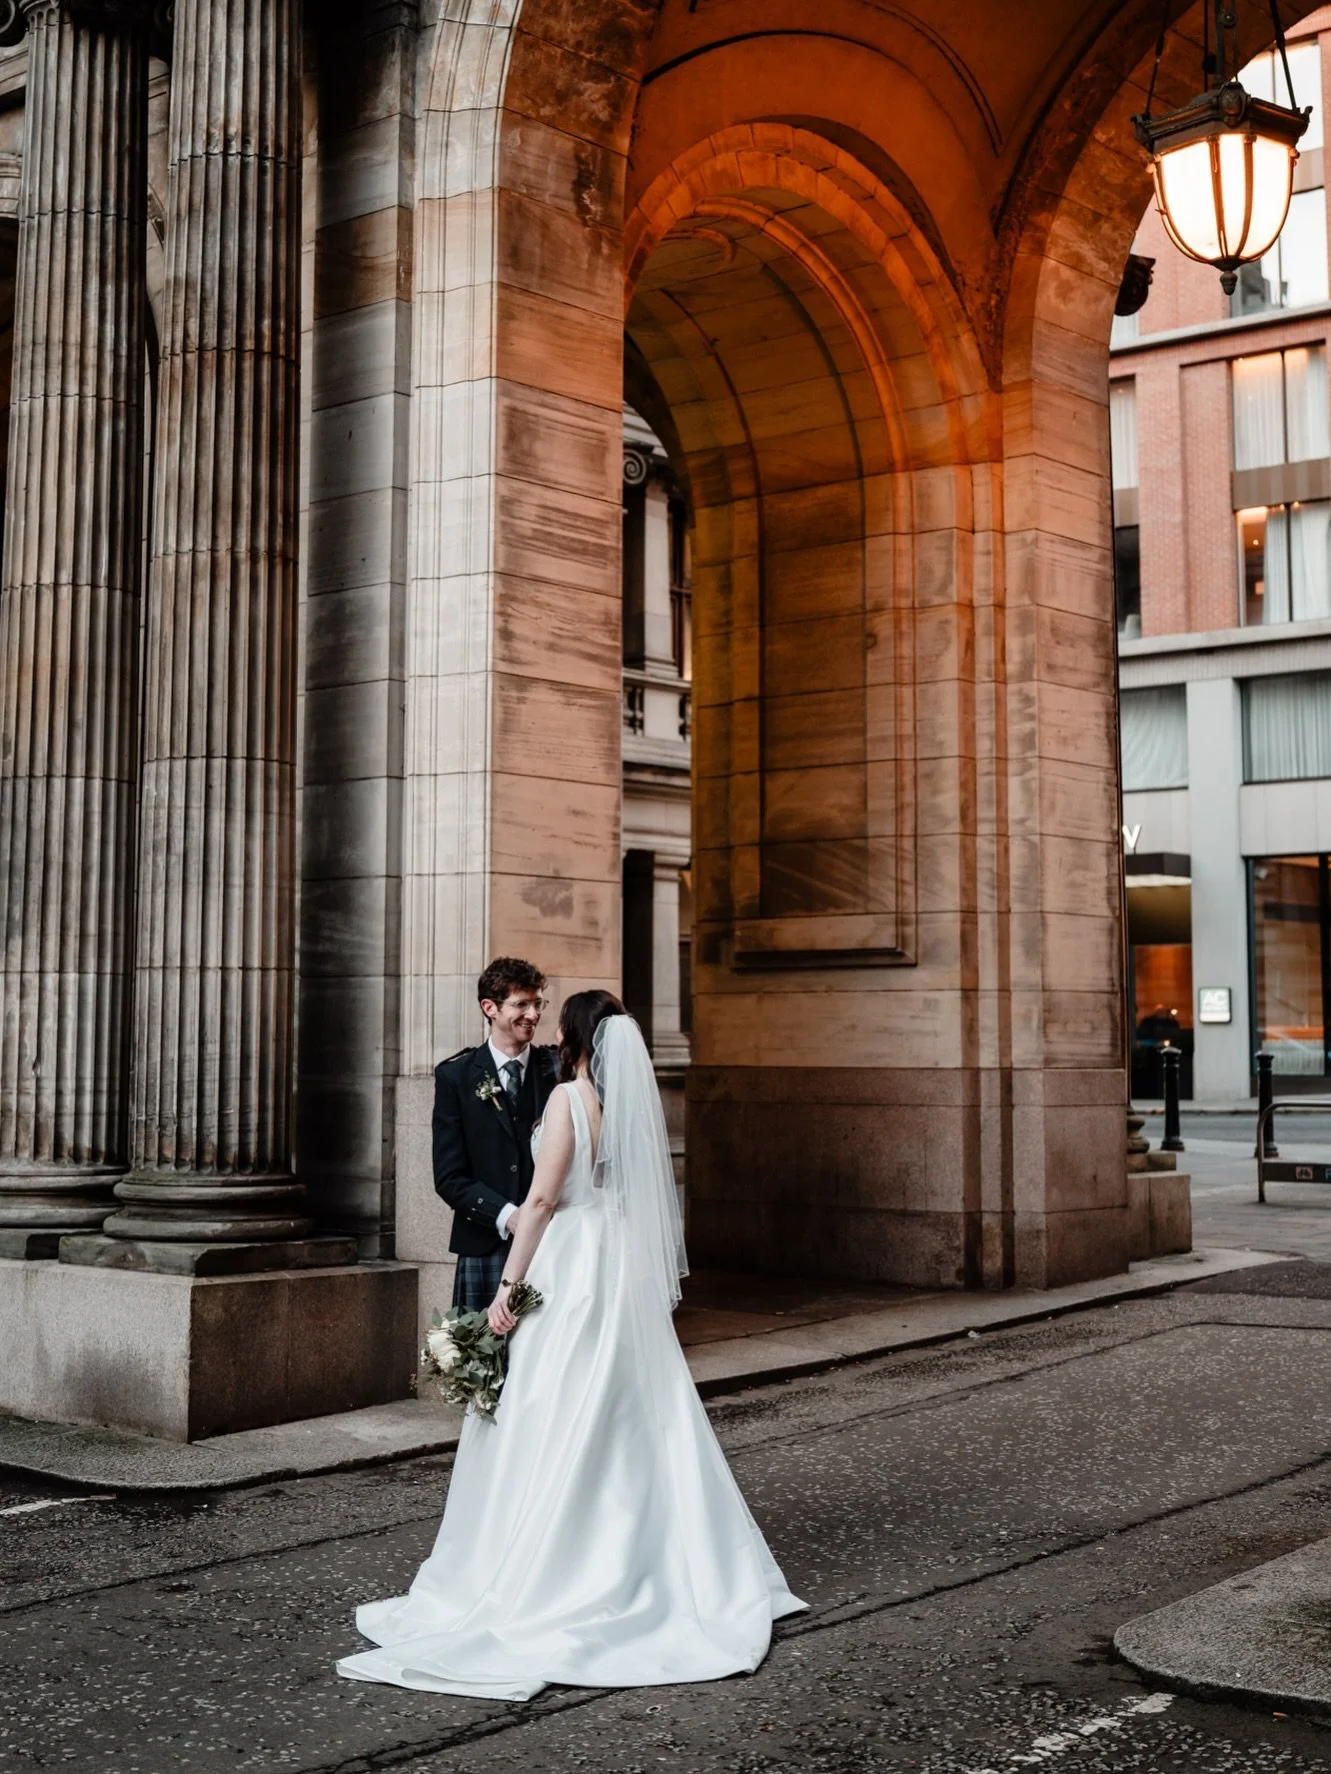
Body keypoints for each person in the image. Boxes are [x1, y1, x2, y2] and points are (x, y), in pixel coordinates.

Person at [337, 990, 805, 1699]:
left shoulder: (565, 1100)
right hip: (617, 1266)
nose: (548, 1030)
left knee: (551, 1404)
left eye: (557, 1021)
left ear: (575, 1036)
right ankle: (669, 1559)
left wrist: (509, 1287)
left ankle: (551, 1565)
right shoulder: (626, 1109)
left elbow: (546, 1200)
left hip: (572, 1262)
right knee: (632, 1404)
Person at [432, 957, 559, 1311]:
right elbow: (449, 1177)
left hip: (551, 1243)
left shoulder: (557, 1070)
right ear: (490, 1008)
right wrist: (508, 1216)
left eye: (537, 1004)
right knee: (483, 1364)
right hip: (484, 1241)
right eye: (521, 1004)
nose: (533, 1014)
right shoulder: (455, 1077)